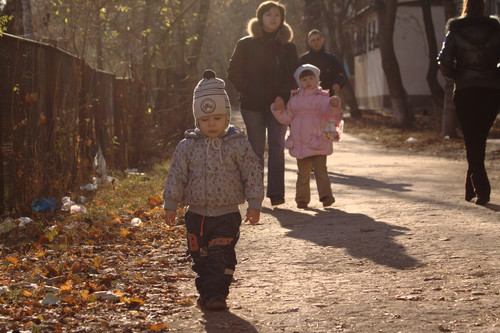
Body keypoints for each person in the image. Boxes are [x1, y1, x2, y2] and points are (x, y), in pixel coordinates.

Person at [163, 69, 264, 310]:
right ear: (197, 120)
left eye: (217, 119)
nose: (211, 124)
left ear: (227, 116)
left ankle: (217, 295)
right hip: (195, 215)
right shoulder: (187, 146)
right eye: (205, 120)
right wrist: (171, 204)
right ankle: (207, 292)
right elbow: (176, 175)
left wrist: (254, 203)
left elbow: (252, 173)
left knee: (222, 254)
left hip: (226, 215)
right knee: (200, 259)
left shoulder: (238, 144)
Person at [228, 1, 299, 206]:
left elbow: (294, 75)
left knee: (277, 147)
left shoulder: (288, 47)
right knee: (256, 149)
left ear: (282, 19)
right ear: (260, 17)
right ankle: (254, 193)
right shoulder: (245, 44)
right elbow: (234, 71)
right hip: (252, 105)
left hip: (279, 106)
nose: (273, 18)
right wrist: (250, 90)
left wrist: (283, 96)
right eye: (268, 14)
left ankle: (276, 194)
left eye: (277, 14)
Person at [437, 0, 500, 205]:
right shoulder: (495, 29)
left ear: (465, 7)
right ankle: (470, 188)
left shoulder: (455, 30)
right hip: (491, 90)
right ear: (483, 8)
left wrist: (456, 75)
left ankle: (481, 189)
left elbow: (444, 60)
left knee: (473, 140)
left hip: (465, 90)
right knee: (478, 138)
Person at [271, 64, 341, 208]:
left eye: (311, 78)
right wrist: (278, 110)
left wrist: (333, 104)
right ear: (299, 82)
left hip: (318, 140)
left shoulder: (321, 97)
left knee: (321, 170)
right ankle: (302, 199)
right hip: (300, 143)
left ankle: (326, 196)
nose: (308, 82)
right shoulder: (294, 99)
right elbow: (287, 118)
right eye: (304, 79)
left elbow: (327, 110)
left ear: (317, 80)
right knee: (303, 174)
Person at [299, 29, 346, 96]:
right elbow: (297, 78)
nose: (316, 42)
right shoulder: (303, 60)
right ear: (309, 42)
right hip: (308, 99)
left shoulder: (331, 59)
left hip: (327, 97)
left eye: (318, 39)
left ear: (322, 40)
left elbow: (342, 75)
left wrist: (337, 84)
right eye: (313, 40)